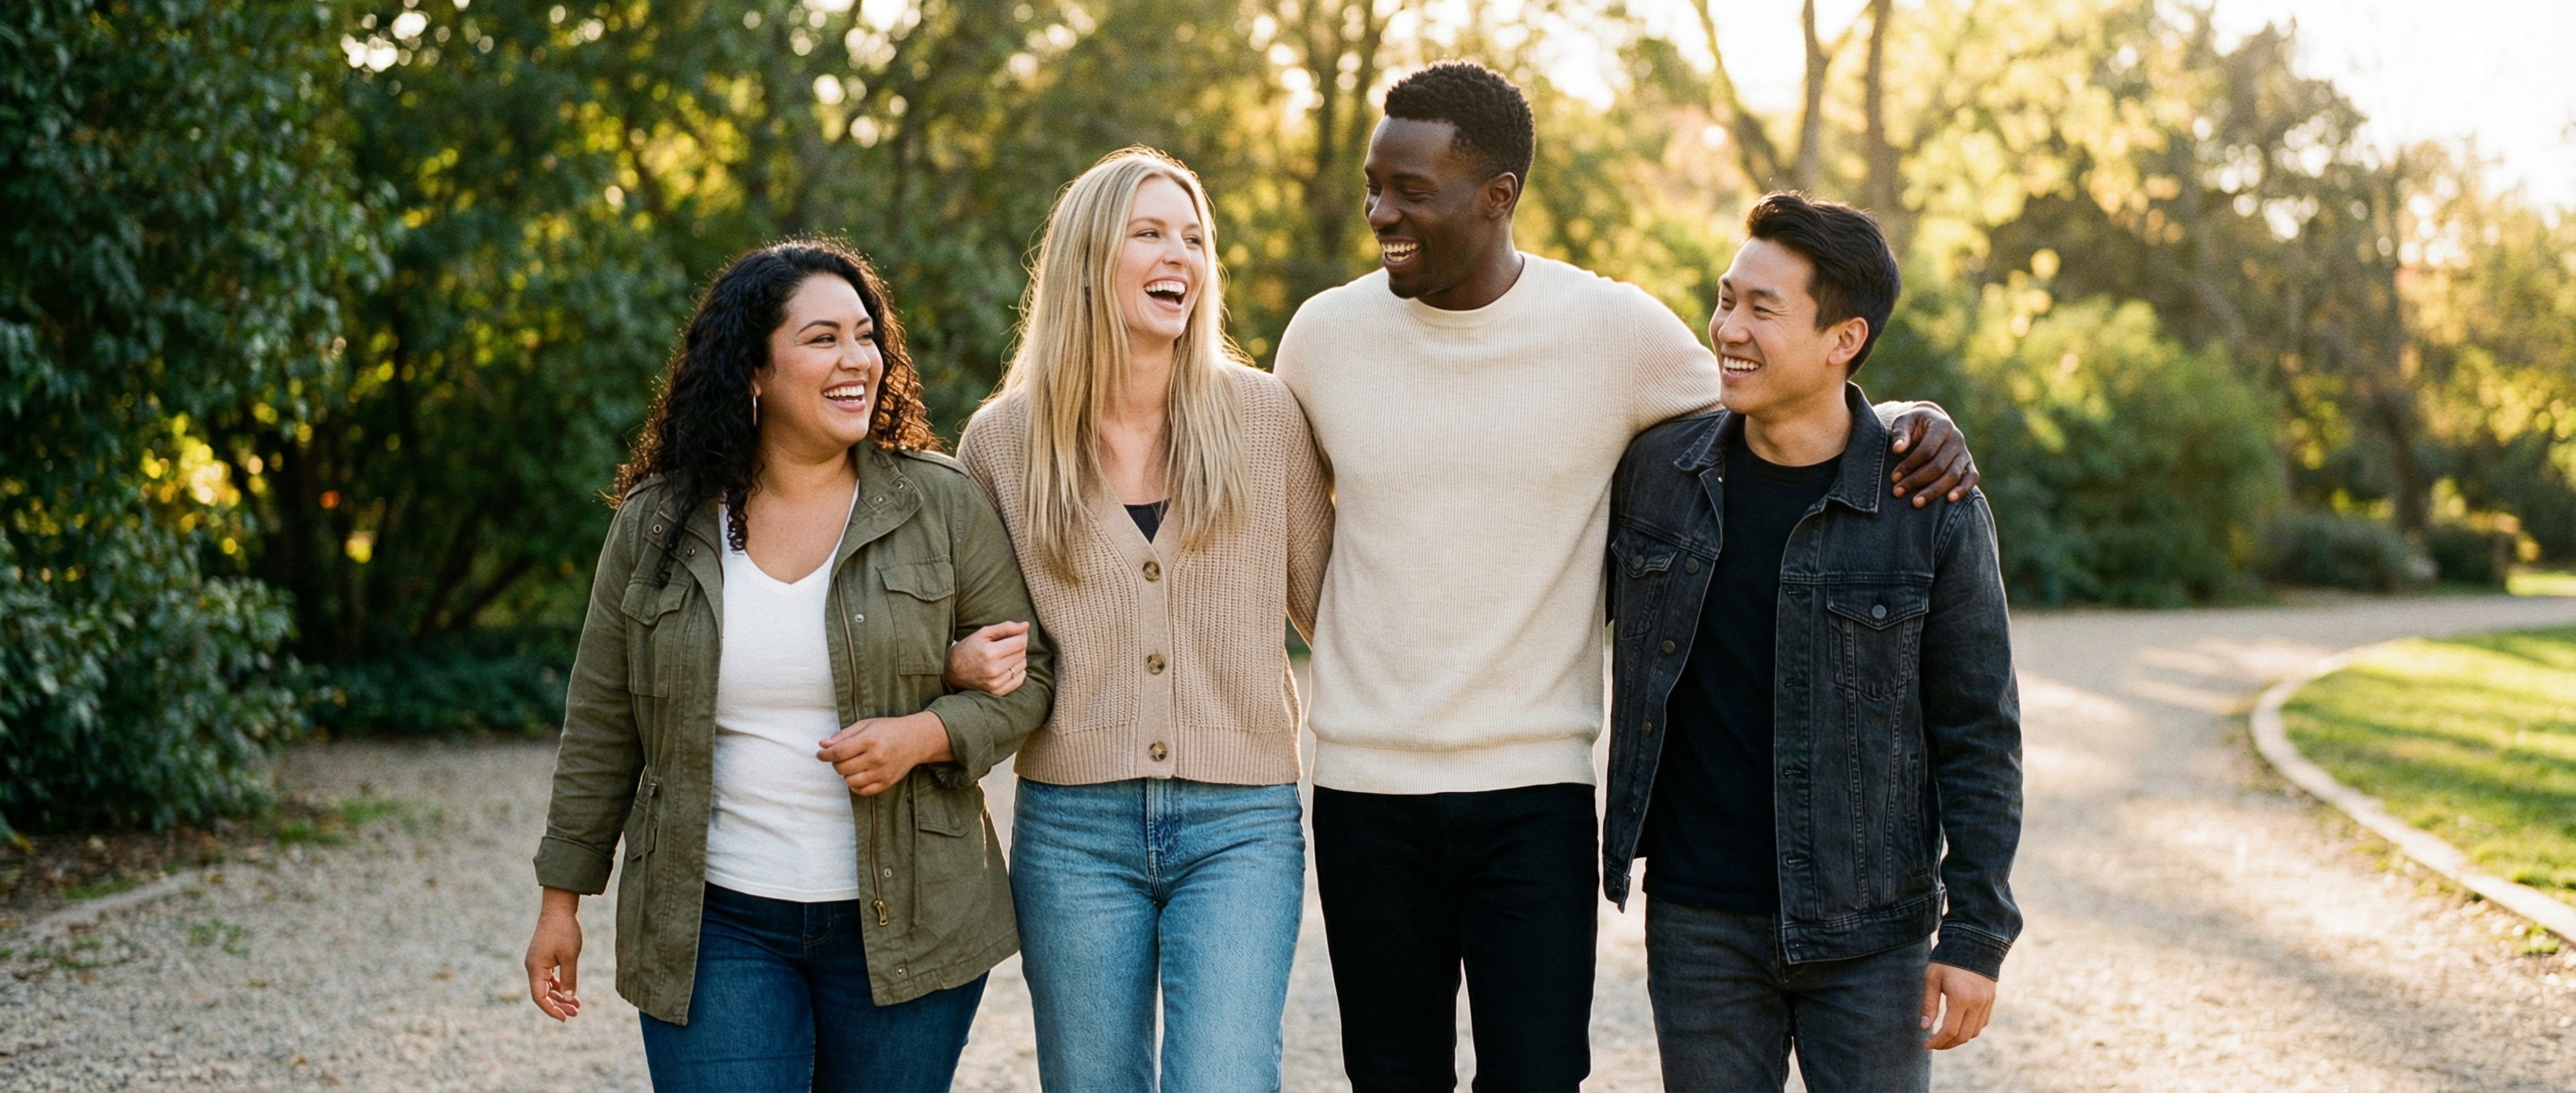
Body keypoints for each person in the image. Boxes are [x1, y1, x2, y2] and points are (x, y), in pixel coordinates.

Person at [1268, 62, 1982, 1092]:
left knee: (1539, 1076)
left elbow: (1788, 400)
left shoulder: (1614, 331)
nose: (1381, 212)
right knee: (1390, 1075)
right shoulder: (1323, 339)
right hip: (1365, 791)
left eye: (1409, 192)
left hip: (1534, 794)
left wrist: (1921, 419)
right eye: (1375, 185)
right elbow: (1301, 548)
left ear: (1497, 196)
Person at [520, 240, 1055, 1092]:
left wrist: (927, 734)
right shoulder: (657, 524)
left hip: (909, 919)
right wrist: (561, 900)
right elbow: (601, 724)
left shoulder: (942, 503)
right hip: (714, 923)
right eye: (822, 339)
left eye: (865, 334)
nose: (857, 360)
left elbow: (1034, 675)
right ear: (754, 371)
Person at [1602, 192, 2022, 1092]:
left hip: (1873, 932)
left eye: (1763, 308)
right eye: (1725, 299)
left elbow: (1979, 731)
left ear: (1845, 340)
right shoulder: (1658, 475)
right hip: (1699, 922)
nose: (1728, 329)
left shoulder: (1931, 509)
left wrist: (1977, 936)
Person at [947, 147, 1333, 1093]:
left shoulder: (1265, 417)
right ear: (1088, 259)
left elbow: (1340, 614)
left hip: (1241, 821)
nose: (1183, 257)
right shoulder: (1002, 442)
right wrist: (959, 661)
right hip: (1073, 827)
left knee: (1226, 1081)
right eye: (1151, 233)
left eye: (1195, 238)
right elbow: (956, 630)